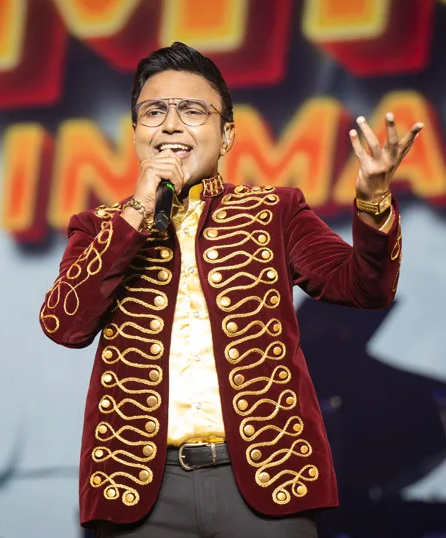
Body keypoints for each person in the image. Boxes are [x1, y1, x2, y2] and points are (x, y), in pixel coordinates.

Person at [40, 42, 422, 538]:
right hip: (139, 491)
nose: (171, 125)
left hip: (268, 480)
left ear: (226, 136)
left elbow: (366, 287)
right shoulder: (99, 226)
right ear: (136, 135)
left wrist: (373, 200)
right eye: (153, 112)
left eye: (192, 110)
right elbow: (64, 324)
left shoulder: (275, 211)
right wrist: (136, 213)